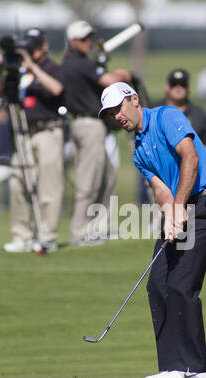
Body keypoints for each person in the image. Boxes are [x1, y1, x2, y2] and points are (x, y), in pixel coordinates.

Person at [99, 82, 206, 378]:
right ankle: (172, 366)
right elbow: (160, 190)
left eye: (119, 108)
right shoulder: (139, 151)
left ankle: (195, 367)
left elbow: (190, 159)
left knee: (181, 284)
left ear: (134, 99)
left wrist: (180, 205)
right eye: (110, 114)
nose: (117, 117)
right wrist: (171, 214)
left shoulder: (166, 116)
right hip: (183, 208)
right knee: (158, 284)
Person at [63, 20, 132, 246]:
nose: (88, 42)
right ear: (72, 41)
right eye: (84, 39)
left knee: (107, 176)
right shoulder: (80, 63)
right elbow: (110, 82)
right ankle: (79, 232)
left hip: (93, 125)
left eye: (89, 38)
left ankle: (98, 228)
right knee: (88, 179)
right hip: (88, 124)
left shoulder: (79, 62)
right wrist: (122, 74)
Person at [0, 28, 65, 253]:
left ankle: (47, 236)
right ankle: (22, 235)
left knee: (48, 186)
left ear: (43, 46)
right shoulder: (18, 71)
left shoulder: (52, 68)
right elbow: (1, 93)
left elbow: (56, 88)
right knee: (18, 182)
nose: (30, 50)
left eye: (34, 46)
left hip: (48, 130)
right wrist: (0, 69)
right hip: (23, 132)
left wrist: (32, 67)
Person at [153, 68, 206, 157]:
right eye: (174, 84)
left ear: (188, 87)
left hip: (191, 166)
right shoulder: (155, 111)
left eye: (183, 84)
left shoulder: (198, 113)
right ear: (167, 86)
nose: (178, 88)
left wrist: (198, 161)